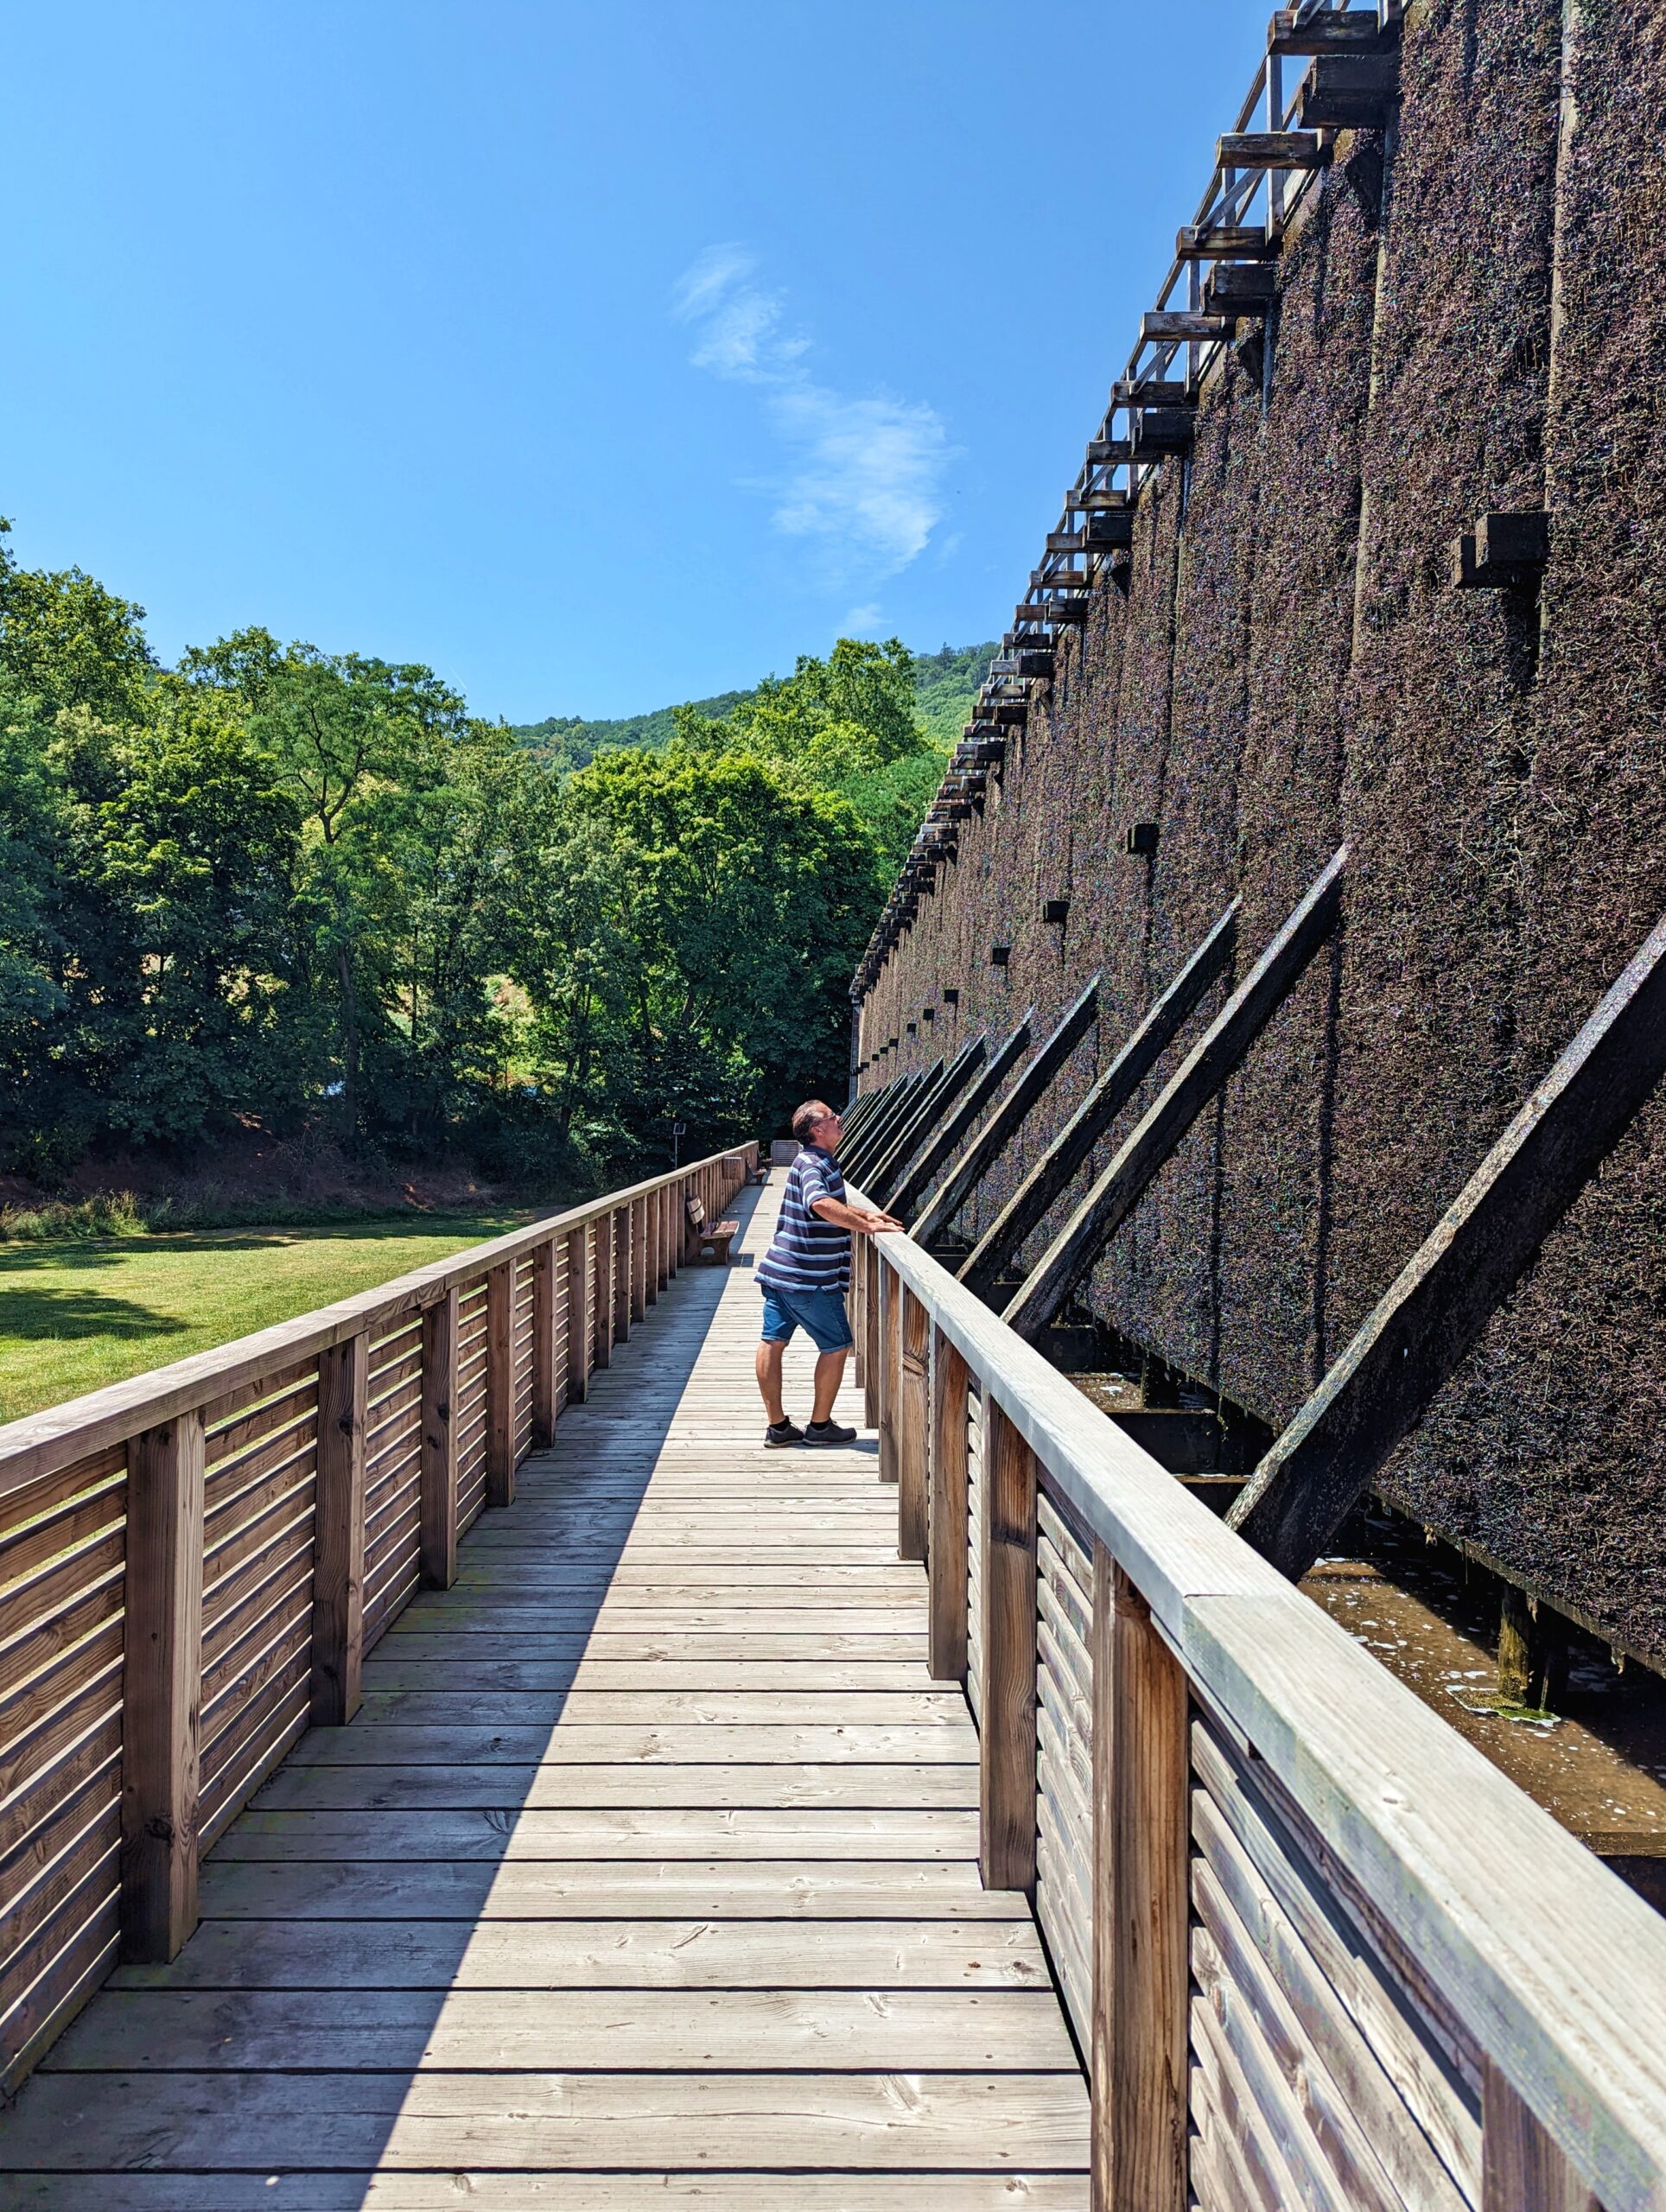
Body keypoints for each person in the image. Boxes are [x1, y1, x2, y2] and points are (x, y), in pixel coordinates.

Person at [754, 1098, 903, 1446]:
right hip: (809, 1279)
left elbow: (831, 1201)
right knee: (837, 1346)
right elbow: (819, 1203)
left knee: (772, 1342)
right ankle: (820, 1428)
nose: (839, 1119)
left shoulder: (814, 1160)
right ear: (817, 1130)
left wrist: (867, 1217)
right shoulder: (812, 1163)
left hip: (780, 1273)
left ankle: (778, 1428)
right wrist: (868, 1230)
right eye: (832, 1116)